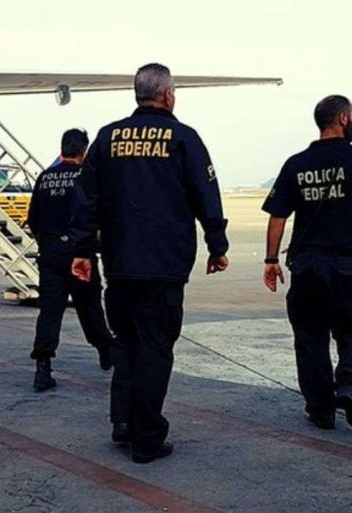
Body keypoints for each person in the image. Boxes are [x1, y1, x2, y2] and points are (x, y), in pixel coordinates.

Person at [69, 63, 230, 463]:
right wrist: (217, 243)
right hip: (164, 265)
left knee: (126, 344)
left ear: (137, 94)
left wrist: (82, 251)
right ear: (169, 95)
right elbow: (205, 194)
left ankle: (122, 422)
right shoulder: (184, 138)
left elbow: (86, 199)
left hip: (120, 264)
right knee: (156, 348)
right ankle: (147, 437)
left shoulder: (107, 138)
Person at [262, 95, 352, 431]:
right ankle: (350, 384)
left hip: (307, 267)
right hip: (350, 266)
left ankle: (320, 409)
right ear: (342, 118)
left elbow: (278, 216)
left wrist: (270, 259)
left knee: (310, 337)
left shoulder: (296, 164)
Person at [27, 129, 114, 392]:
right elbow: (97, 215)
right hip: (81, 253)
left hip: (51, 254)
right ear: (83, 150)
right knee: (90, 308)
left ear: (62, 149)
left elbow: (33, 219)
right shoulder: (87, 177)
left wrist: (47, 243)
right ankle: (106, 351)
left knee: (50, 311)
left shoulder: (44, 178)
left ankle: (42, 368)